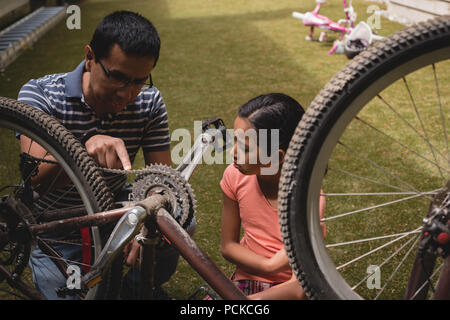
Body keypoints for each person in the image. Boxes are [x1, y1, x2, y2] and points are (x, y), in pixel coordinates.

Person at [17, 11, 191, 299]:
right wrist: (82, 150)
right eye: (118, 77)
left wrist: (146, 227)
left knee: (177, 221)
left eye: (139, 81)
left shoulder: (149, 101)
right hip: (59, 229)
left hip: (115, 215)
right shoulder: (40, 94)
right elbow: (35, 179)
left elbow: (162, 179)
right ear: (89, 57)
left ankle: (134, 286)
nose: (127, 94)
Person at [220, 93, 326, 299]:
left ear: (276, 157)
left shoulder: (308, 200)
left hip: (285, 292)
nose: (233, 152)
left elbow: (298, 288)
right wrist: (268, 265)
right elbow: (228, 246)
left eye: (245, 148)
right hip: (246, 281)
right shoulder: (234, 176)